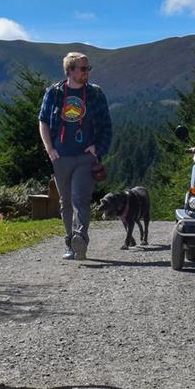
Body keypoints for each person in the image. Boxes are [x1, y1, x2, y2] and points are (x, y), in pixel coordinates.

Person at [38, 52, 112, 260]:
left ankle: (80, 238)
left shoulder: (96, 94)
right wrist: (50, 149)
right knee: (66, 202)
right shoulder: (54, 92)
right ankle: (70, 241)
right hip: (60, 157)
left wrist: (97, 148)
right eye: (82, 68)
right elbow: (43, 121)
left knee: (81, 198)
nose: (86, 72)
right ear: (70, 70)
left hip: (85, 157)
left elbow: (106, 125)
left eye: (88, 68)